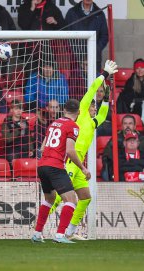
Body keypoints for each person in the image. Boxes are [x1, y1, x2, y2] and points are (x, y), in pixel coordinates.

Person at [49, 60, 118, 240]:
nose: (95, 107)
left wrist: (108, 90)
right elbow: (92, 90)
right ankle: (40, 226)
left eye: (96, 105)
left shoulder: (94, 122)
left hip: (80, 163)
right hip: (70, 160)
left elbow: (103, 113)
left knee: (86, 197)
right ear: (86, 107)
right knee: (60, 196)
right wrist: (104, 74)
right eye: (93, 105)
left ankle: (71, 231)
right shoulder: (80, 115)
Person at [31, 99, 91, 244]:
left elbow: (42, 148)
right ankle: (60, 235)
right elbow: (70, 151)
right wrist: (83, 168)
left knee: (49, 199)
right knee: (71, 200)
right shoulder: (73, 126)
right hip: (55, 166)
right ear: (78, 112)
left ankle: (37, 234)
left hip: (42, 166)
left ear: (64, 110)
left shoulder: (53, 124)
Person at [65, 0, 108, 70]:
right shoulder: (72, 12)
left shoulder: (100, 13)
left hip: (94, 58)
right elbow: (66, 34)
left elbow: (104, 36)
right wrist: (75, 51)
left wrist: (94, 50)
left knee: (95, 81)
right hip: (76, 58)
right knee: (77, 80)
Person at [102, 114, 144, 181]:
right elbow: (108, 158)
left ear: (135, 126)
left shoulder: (142, 139)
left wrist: (130, 163)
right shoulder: (115, 139)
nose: (127, 126)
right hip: (121, 173)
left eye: (130, 123)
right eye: (125, 124)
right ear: (122, 126)